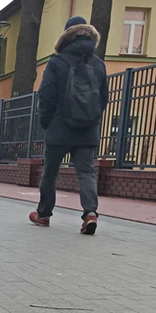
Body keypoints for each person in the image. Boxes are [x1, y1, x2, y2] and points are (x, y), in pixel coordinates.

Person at [30, 16, 108, 235]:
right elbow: (103, 98)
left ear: (66, 36)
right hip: (87, 130)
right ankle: (90, 213)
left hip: (59, 127)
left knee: (50, 173)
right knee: (86, 172)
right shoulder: (99, 63)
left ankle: (44, 215)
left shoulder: (57, 61)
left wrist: (46, 122)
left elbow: (47, 95)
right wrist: (92, 119)